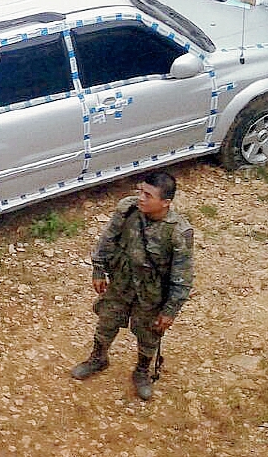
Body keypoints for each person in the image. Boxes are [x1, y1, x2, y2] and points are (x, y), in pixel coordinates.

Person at [71, 172, 194, 401]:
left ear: (166, 202)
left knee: (148, 335)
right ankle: (98, 358)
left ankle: (142, 371)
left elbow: (182, 276)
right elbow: (107, 239)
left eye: (148, 195)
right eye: (141, 191)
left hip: (151, 294)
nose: (141, 198)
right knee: (107, 321)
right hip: (121, 283)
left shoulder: (178, 232)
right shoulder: (128, 209)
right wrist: (98, 269)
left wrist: (170, 311)